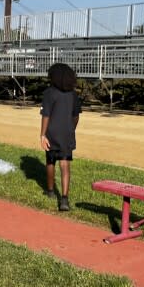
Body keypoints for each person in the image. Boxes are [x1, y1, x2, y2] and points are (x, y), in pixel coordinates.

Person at [40, 62, 81, 211]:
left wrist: (42, 135)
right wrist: (71, 128)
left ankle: (50, 191)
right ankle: (64, 199)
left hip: (51, 132)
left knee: (50, 160)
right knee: (65, 164)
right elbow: (76, 116)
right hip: (67, 132)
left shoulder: (49, 93)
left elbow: (46, 115)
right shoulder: (73, 94)